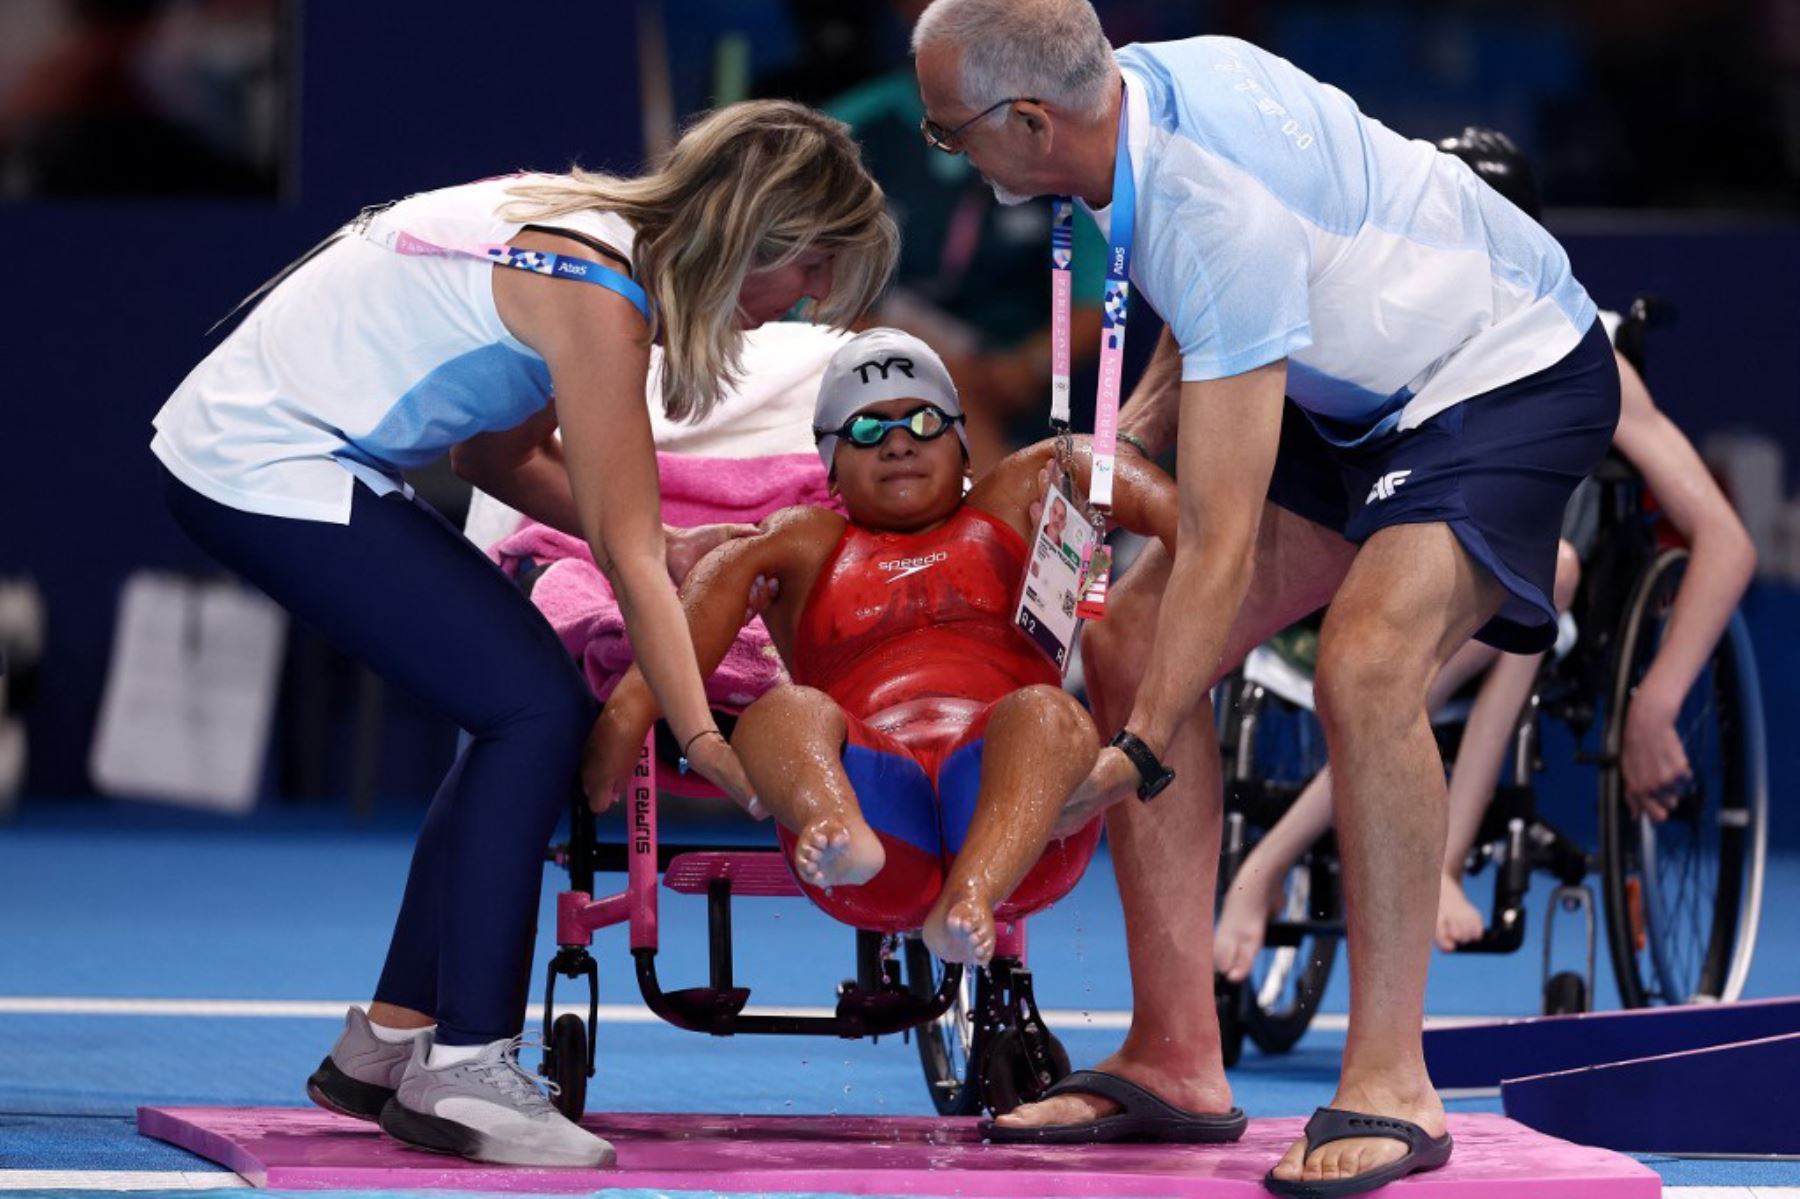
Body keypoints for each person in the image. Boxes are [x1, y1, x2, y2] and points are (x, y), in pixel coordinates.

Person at [910, 3, 1619, 1193]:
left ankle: (1392, 1078)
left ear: (1028, 121)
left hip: (1503, 372)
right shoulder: (1138, 95)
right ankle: (1180, 1054)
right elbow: (1217, 306)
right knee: (1132, 628)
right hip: (1356, 383)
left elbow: (1223, 541)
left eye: (949, 135)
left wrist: (1128, 752)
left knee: (1368, 662)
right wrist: (1122, 441)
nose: (952, 152)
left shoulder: (1206, 201)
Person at [149, 100, 897, 1167]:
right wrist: (709, 741)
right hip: (264, 463)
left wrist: (676, 551)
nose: (815, 297)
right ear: (756, 237)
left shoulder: (587, 231)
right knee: (533, 705)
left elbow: (493, 461)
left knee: (522, 695)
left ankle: (393, 1036)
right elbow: (631, 562)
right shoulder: (598, 296)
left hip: (275, 452)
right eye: (818, 266)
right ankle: (469, 1066)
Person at [1214, 129, 1758, 970]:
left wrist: (1656, 699)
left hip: (1520, 604)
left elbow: (1724, 539)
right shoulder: (1364, 317)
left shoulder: (1582, 346)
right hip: (1370, 581)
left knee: (1545, 575)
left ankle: (1344, 860)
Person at [587, 329, 1188, 974]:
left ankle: (971, 897)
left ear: (963, 449)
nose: (898, 441)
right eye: (866, 430)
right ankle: (834, 829)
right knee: (783, 710)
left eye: (924, 422)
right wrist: (623, 721)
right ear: (831, 472)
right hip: (874, 804)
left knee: (1050, 712)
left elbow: (1181, 518)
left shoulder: (1018, 497)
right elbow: (693, 611)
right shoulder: (806, 540)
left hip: (1022, 808)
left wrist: (1198, 555)